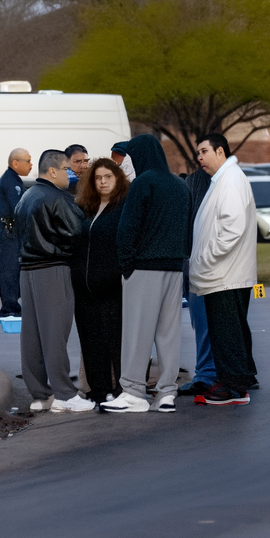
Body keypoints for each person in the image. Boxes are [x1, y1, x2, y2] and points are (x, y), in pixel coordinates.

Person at [103, 135, 190, 414]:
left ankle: (133, 392)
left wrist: (126, 265)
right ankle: (166, 393)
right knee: (169, 333)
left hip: (144, 266)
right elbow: (188, 228)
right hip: (175, 267)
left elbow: (127, 230)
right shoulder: (180, 185)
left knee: (137, 332)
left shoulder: (143, 183)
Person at [13, 149, 95, 413]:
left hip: (27, 270)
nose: (70, 175)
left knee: (32, 335)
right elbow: (78, 232)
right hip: (53, 268)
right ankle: (64, 394)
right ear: (52, 171)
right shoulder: (57, 198)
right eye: (66, 169)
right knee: (55, 333)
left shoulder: (26, 196)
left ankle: (39, 395)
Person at [189, 133, 258, 406]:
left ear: (220, 151)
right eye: (198, 152)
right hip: (224, 273)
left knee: (227, 332)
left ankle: (232, 388)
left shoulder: (229, 180)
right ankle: (234, 380)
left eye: (204, 151)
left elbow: (231, 228)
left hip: (224, 274)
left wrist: (206, 259)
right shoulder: (225, 179)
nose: (199, 158)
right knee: (229, 331)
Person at [72, 157, 129, 403]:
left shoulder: (123, 208)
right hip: (84, 288)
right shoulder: (87, 208)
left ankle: (120, 389)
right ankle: (97, 389)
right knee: (90, 338)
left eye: (108, 177)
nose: (103, 182)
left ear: (117, 179)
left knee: (114, 339)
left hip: (112, 286)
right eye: (97, 178)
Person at [176, 161, 217, 397]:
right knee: (210, 324)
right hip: (205, 263)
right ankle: (216, 371)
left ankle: (207, 373)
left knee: (202, 322)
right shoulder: (205, 183)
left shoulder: (197, 183)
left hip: (199, 263)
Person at [0, 148, 32, 317]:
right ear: (16, 163)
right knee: (10, 270)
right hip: (11, 232)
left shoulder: (11, 179)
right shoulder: (11, 182)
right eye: (28, 161)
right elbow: (19, 208)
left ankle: (12, 306)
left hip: (10, 231)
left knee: (12, 269)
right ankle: (10, 308)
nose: (31, 165)